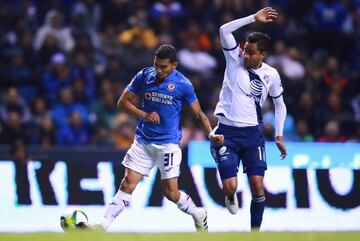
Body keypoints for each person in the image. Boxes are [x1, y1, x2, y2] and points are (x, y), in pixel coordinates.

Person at [88, 44, 223, 231]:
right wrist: (143, 114)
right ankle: (102, 226)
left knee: (171, 193)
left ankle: (199, 214)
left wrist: (211, 133)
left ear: (174, 65)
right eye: (156, 64)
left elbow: (199, 113)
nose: (158, 70)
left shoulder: (183, 84)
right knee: (127, 183)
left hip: (167, 145)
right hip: (143, 141)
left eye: (163, 67)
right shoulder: (144, 75)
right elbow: (122, 102)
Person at [209, 7, 287, 230]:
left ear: (263, 55)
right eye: (245, 50)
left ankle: (254, 233)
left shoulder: (271, 74)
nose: (246, 55)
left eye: (252, 53)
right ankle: (230, 195)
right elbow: (224, 29)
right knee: (231, 187)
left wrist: (279, 135)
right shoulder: (233, 59)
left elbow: (280, 105)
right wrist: (253, 18)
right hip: (227, 133)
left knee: (257, 185)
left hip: (253, 135)